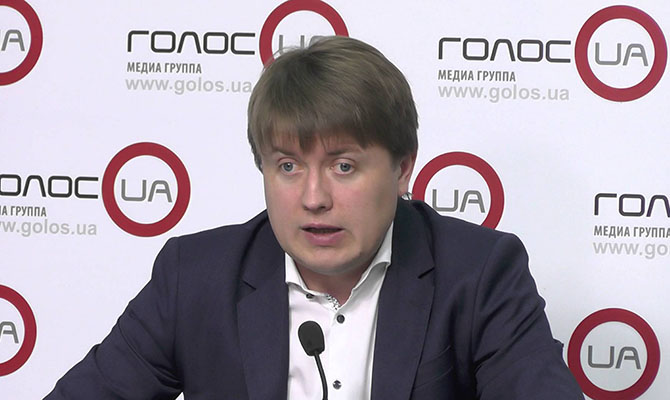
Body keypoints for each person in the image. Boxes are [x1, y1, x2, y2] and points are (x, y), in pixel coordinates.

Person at [45, 36, 584, 399]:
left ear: (402, 170)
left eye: (343, 166)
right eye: (287, 166)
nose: (313, 197)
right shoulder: (196, 276)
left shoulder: (480, 273)